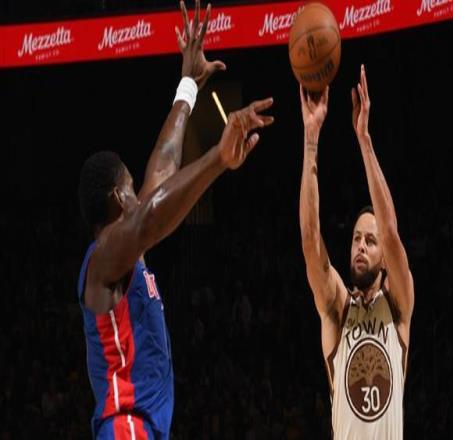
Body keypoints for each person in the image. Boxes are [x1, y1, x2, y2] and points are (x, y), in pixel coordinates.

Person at [76, 1, 274, 438]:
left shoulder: (127, 253)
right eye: (132, 187)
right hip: (126, 427)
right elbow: (150, 216)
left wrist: (189, 86)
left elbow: (163, 171)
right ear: (118, 199)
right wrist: (218, 159)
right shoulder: (104, 257)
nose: (141, 194)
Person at [299, 65, 414, 439]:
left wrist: (364, 140)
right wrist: (311, 139)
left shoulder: (398, 306)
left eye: (370, 241)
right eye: (356, 239)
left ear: (383, 259)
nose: (361, 245)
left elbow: (391, 233)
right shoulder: (337, 307)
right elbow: (310, 239)